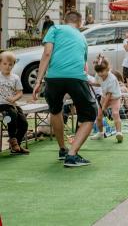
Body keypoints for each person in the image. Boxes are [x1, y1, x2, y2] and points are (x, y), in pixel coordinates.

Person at [33, 11, 97, 167]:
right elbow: (84, 66)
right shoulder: (82, 38)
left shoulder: (55, 29)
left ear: (64, 20)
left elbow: (47, 53)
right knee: (89, 114)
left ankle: (62, 149)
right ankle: (72, 155)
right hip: (76, 77)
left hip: (54, 77)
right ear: (80, 23)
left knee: (55, 110)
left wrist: (38, 81)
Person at [0, 51, 29, 155]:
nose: (7, 66)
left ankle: (16, 145)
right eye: (4, 64)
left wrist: (14, 98)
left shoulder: (15, 78)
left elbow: (20, 92)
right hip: (1, 105)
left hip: (12, 104)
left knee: (24, 123)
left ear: (13, 65)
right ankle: (12, 139)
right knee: (11, 115)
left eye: (10, 64)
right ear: (0, 64)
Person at [90, 58, 124, 143]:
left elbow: (109, 94)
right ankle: (100, 133)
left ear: (107, 69)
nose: (100, 74)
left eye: (102, 71)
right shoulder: (98, 75)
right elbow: (100, 84)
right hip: (104, 96)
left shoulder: (112, 79)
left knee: (115, 113)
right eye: (98, 72)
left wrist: (104, 107)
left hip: (115, 97)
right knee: (99, 117)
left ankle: (119, 133)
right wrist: (92, 83)